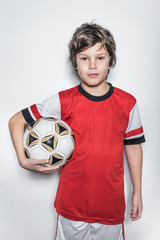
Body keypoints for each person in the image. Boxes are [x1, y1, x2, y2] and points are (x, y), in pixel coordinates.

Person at [9, 23, 145, 240]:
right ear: (75, 63)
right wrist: (23, 160)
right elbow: (16, 121)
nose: (92, 65)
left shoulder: (127, 103)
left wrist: (137, 191)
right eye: (84, 58)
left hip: (110, 207)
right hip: (71, 206)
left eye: (100, 58)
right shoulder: (64, 101)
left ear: (111, 61)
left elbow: (134, 147)